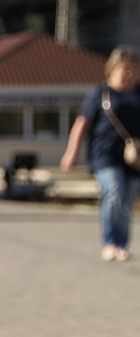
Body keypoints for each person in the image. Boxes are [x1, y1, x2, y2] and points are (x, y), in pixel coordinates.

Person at [60, 45, 140, 262]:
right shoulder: (100, 93)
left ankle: (121, 245)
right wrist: (71, 153)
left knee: (126, 201)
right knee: (114, 191)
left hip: (135, 158)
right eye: (124, 69)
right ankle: (110, 242)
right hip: (105, 155)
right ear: (112, 69)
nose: (129, 74)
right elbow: (81, 125)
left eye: (133, 69)